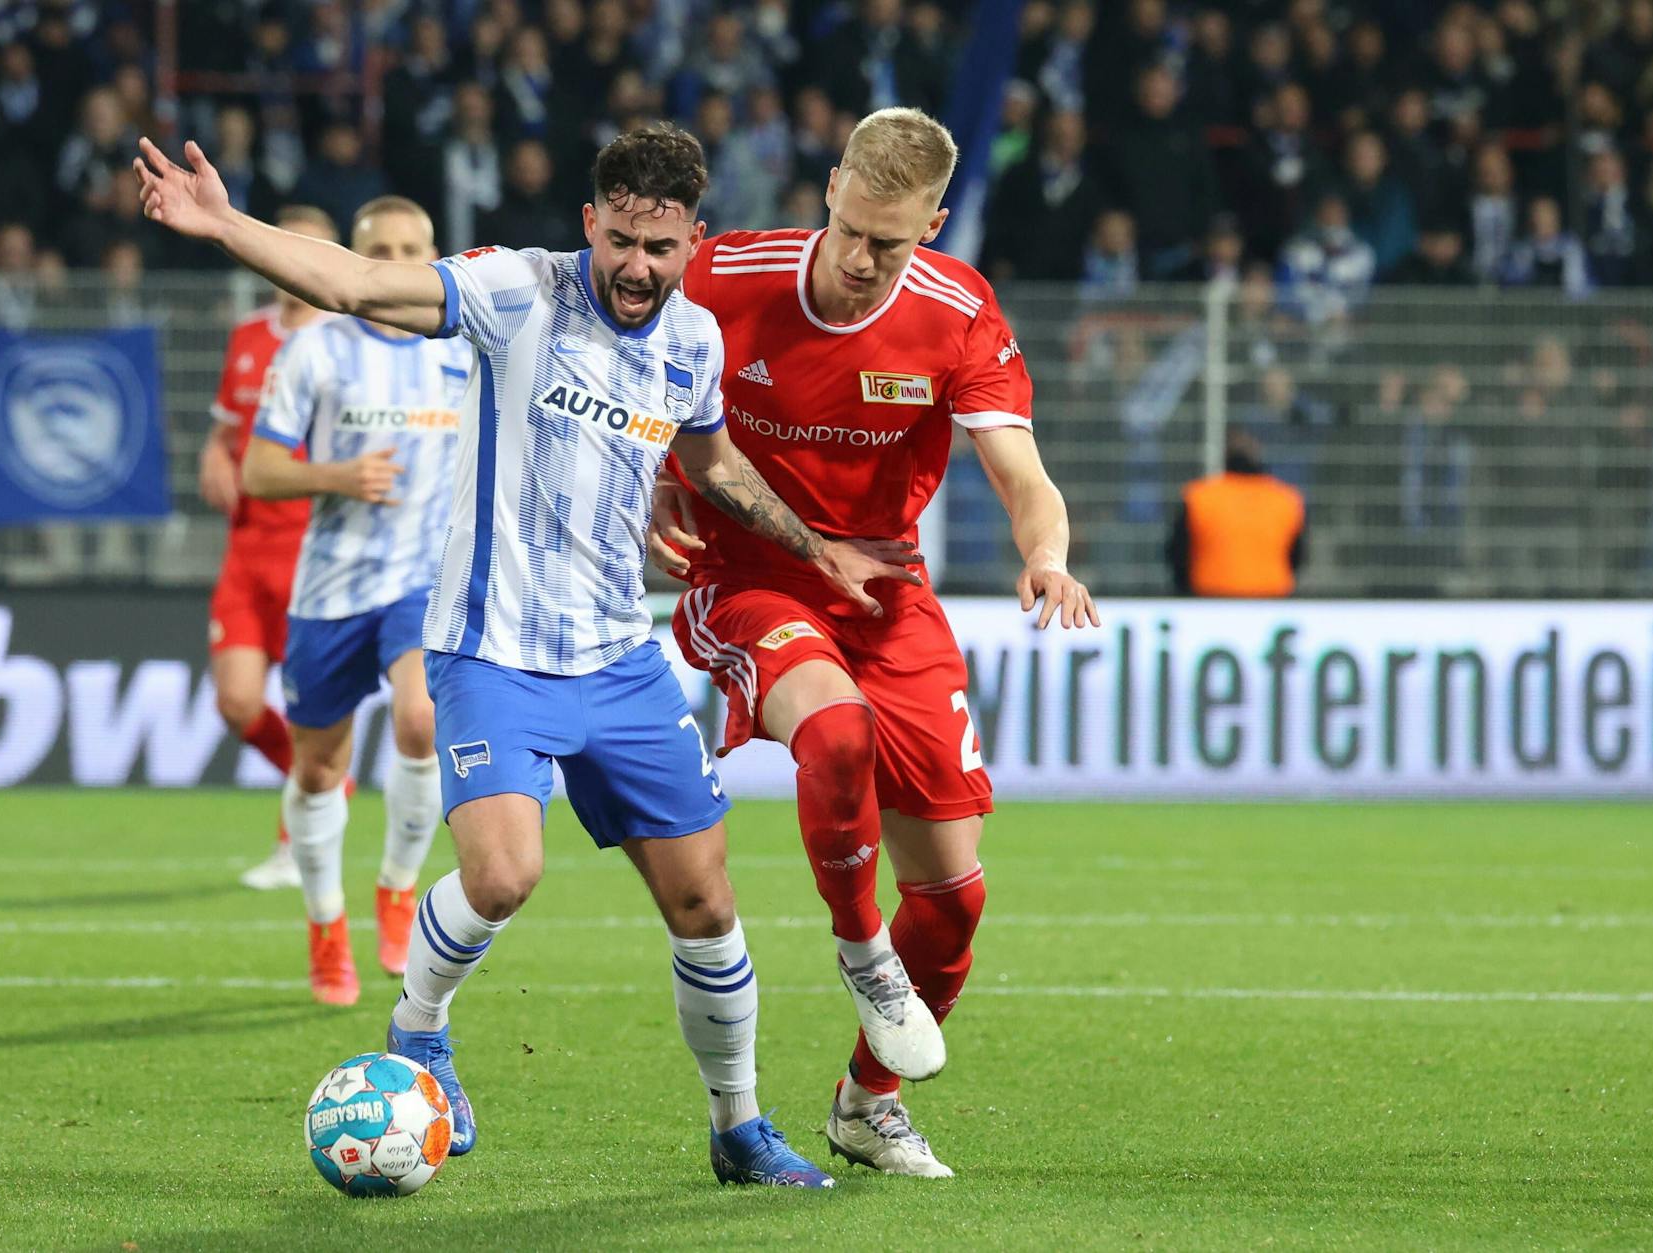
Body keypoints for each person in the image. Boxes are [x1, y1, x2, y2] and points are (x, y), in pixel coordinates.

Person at [136, 124, 914, 1187]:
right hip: (489, 647)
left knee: (706, 905)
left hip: (616, 656)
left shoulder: (693, 340)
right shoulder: (517, 292)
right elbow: (365, 285)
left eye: (662, 245)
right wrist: (222, 222)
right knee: (501, 873)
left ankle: (737, 1126)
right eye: (621, 240)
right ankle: (418, 1031)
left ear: (694, 239)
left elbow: (714, 461)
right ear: (591, 223)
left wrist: (813, 548)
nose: (637, 266)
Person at [651, 106, 1099, 1179]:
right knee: (835, 731)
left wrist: (1046, 552)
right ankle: (863, 954)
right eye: (850, 226)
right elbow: (634, 403)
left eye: (888, 241)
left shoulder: (956, 314)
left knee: (952, 900)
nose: (859, 258)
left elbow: (1019, 472)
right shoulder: (720, 278)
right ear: (830, 188)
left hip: (885, 588)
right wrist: (652, 497)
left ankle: (866, 1101)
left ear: (932, 224)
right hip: (749, 575)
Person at [241, 196, 473, 1002]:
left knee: (421, 719)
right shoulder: (315, 349)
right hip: (330, 588)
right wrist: (335, 476)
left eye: (415, 246)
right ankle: (325, 924)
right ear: (358, 255)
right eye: (383, 247)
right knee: (318, 769)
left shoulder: (463, 348)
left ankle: (398, 889)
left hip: (422, 581)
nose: (400, 258)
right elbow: (258, 470)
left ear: (433, 252)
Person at [197, 203, 338, 893]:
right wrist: (214, 459)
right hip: (247, 549)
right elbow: (224, 435)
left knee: (309, 708)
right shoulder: (249, 336)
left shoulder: (350, 342)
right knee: (235, 702)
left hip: (313, 547)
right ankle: (320, 791)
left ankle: (296, 845)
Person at [1166, 427, 1307, 597]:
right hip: (1271, 599)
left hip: (1211, 599)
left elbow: (1178, 552)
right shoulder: (1286, 499)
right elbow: (1297, 555)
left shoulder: (1200, 496)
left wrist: (1186, 592)